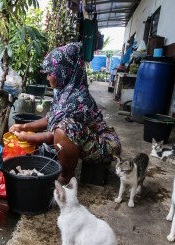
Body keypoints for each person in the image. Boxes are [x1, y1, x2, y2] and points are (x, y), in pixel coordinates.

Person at [9, 42, 121, 184]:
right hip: (90, 137)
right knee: (63, 129)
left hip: (107, 146)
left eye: (51, 73)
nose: (48, 77)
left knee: (65, 130)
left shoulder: (77, 99)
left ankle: (66, 177)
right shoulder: (65, 92)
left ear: (64, 71)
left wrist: (29, 138)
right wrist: (23, 127)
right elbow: (50, 118)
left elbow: (58, 134)